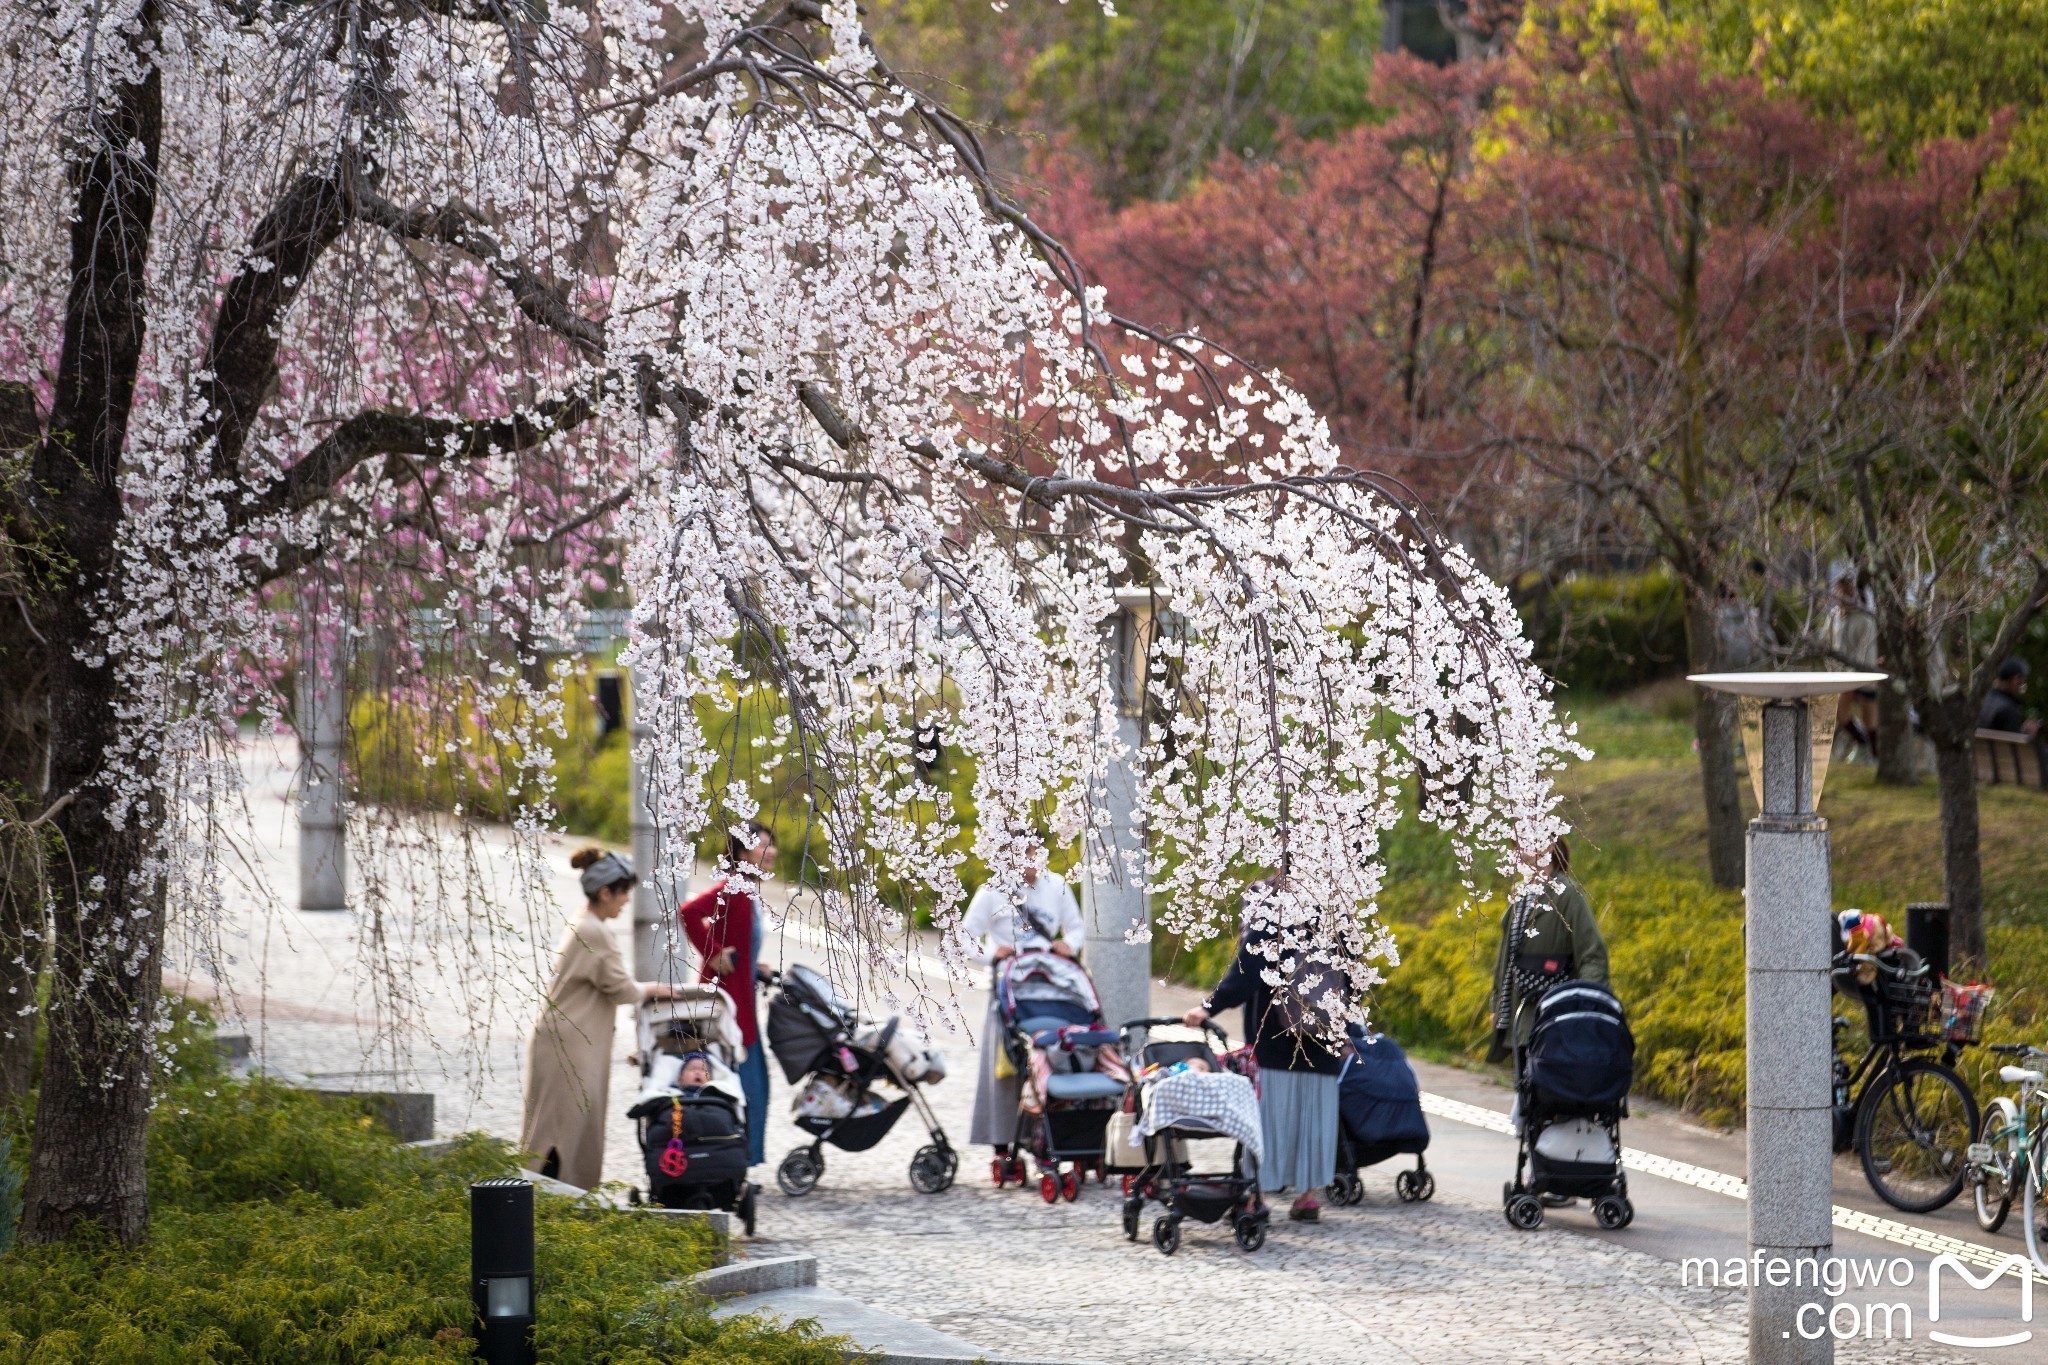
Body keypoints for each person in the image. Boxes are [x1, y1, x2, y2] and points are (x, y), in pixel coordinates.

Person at [1181, 879, 1344, 1223]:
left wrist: (1209, 1006)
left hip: (1277, 1031)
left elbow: (1251, 962)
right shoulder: (1338, 892)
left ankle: (1257, 1197)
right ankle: (1307, 1197)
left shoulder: (1270, 897)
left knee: (1268, 1115)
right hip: (1327, 1027)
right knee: (1314, 1112)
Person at [521, 846, 679, 1190]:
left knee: (553, 1124)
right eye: (624, 894)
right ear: (606, 892)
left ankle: (542, 1198)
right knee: (565, 1127)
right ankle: (554, 1201)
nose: (626, 902)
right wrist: (655, 989)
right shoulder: (596, 932)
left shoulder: (583, 921)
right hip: (572, 1043)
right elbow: (621, 988)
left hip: (564, 1037)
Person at [958, 837, 1085, 1157]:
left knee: (1055, 1050)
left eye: (1036, 852)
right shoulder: (991, 891)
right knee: (1003, 1062)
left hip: (1050, 980)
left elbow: (1076, 928)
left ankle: (1056, 1134)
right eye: (1024, 853)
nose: (1031, 859)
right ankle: (1002, 1139)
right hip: (1009, 982)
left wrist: (1068, 945)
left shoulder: (1056, 885)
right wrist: (991, 953)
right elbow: (964, 937)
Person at [679, 822, 777, 1165]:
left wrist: (753, 964)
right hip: (729, 1005)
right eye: (762, 846)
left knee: (752, 1082)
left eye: (771, 845)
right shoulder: (734, 888)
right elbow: (689, 912)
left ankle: (740, 1157)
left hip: (741, 999)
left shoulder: (746, 891)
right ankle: (737, 1159)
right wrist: (713, 951)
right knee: (747, 1084)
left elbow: (738, 937)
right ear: (741, 853)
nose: (771, 852)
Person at [1487, 838, 1608, 1066]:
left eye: (1527, 843)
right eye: (1517, 846)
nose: (1521, 852)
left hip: (1556, 1018)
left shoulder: (1567, 894)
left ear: (1549, 846)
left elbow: (1593, 955)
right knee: (1527, 1093)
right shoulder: (1521, 895)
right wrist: (1497, 1005)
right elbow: (1505, 959)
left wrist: (1585, 1008)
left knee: (1548, 1091)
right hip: (1522, 1015)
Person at [1981, 657, 2040, 739]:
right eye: (2023, 680)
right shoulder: (2008, 710)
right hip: (2001, 751)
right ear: (2016, 680)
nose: (2023, 684)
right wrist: (2028, 734)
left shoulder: (1982, 701)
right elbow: (2016, 748)